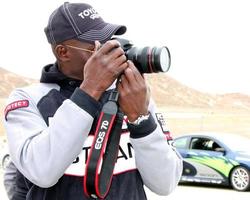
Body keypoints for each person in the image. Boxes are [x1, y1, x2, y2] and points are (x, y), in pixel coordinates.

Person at [3, 2, 183, 199]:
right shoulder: (29, 100)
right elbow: (42, 171)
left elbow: (165, 183)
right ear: (63, 52)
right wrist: (90, 91)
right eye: (97, 47)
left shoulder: (131, 94)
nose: (111, 51)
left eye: (109, 41)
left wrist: (140, 119)